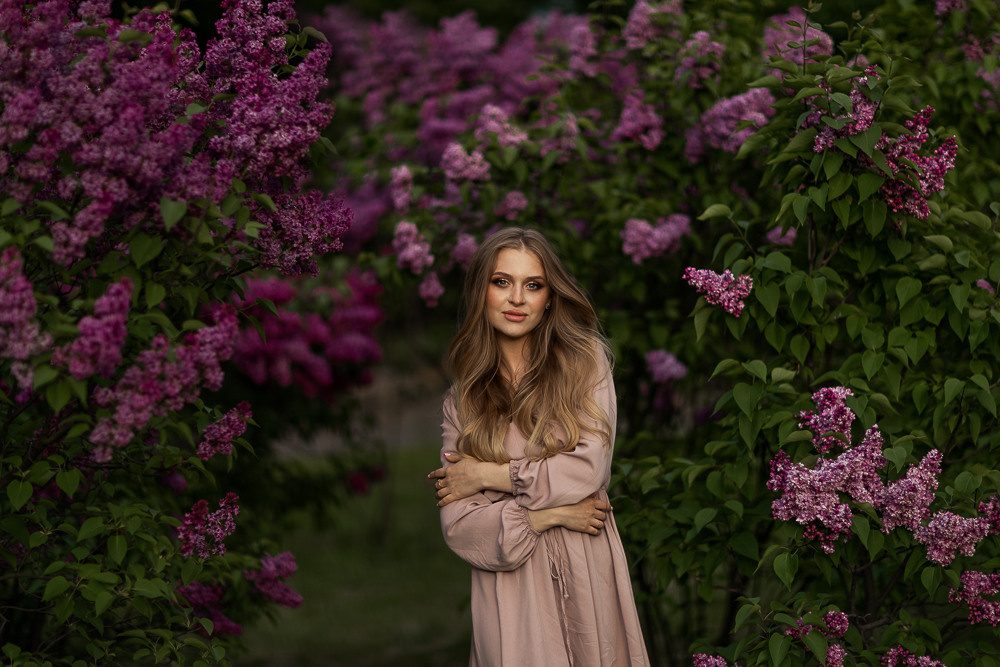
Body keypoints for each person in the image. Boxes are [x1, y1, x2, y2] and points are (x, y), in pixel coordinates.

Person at [427, 227, 650, 666]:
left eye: (533, 285)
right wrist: (548, 515)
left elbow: (588, 469)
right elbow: (460, 526)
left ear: (549, 297)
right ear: (481, 292)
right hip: (508, 594)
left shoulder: (584, 363)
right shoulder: (462, 401)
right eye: (502, 282)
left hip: (586, 569)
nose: (517, 299)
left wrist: (491, 475)